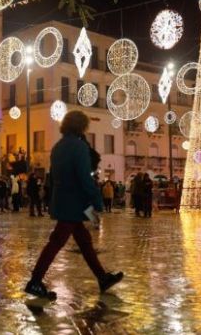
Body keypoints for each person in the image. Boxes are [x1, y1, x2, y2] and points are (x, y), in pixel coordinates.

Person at [25, 111, 123, 300]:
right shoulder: (78, 147)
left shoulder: (57, 147)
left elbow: (54, 178)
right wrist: (97, 200)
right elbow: (84, 178)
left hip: (63, 200)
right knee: (56, 242)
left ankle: (103, 278)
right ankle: (35, 281)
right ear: (82, 126)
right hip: (74, 203)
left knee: (84, 242)